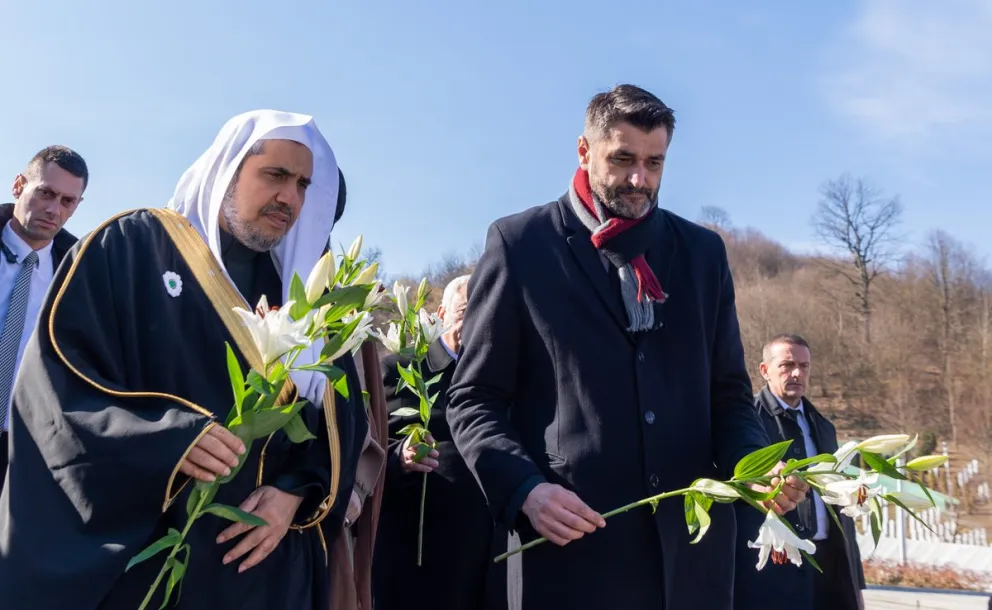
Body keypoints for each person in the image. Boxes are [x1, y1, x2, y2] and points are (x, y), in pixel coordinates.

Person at [446, 84, 806, 609]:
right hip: (572, 559)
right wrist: (526, 490)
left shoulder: (703, 254)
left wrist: (756, 467)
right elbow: (474, 398)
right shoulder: (521, 245)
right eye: (623, 159)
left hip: (694, 564)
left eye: (655, 163)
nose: (641, 179)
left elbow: (728, 395)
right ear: (584, 151)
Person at [0, 110, 367, 609]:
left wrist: (294, 494)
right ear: (227, 170)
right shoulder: (130, 248)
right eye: (276, 175)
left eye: (303, 183)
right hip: (148, 563)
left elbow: (336, 421)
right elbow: (58, 389)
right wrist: (168, 439)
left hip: (263, 572)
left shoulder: (303, 296)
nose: (291, 198)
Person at [373, 273, 498, 610]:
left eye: (486, 310)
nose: (476, 319)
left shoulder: (504, 380)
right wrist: (401, 456)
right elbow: (366, 453)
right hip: (418, 558)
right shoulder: (400, 370)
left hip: (489, 556)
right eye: (466, 310)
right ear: (441, 315)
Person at [734, 334, 865, 610]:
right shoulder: (746, 426)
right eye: (787, 365)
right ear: (764, 370)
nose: (797, 373)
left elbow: (840, 503)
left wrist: (855, 581)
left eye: (804, 366)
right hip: (773, 572)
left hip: (830, 565)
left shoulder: (823, 426)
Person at [0, 145, 87, 486]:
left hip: (26, 452)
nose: (53, 209)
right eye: (46, 193)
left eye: (67, 201)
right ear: (19, 185)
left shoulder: (80, 274)